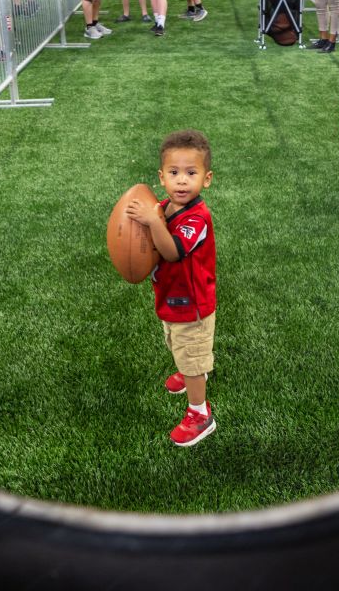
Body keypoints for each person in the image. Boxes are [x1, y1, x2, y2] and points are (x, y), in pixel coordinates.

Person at [124, 130, 219, 448]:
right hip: (172, 300)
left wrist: (152, 223)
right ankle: (191, 368)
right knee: (177, 343)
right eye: (174, 173)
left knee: (190, 351)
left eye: (191, 174)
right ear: (161, 177)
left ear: (206, 179)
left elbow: (172, 251)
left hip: (192, 305)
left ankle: (200, 414)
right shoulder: (165, 207)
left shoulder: (197, 218)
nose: (182, 181)